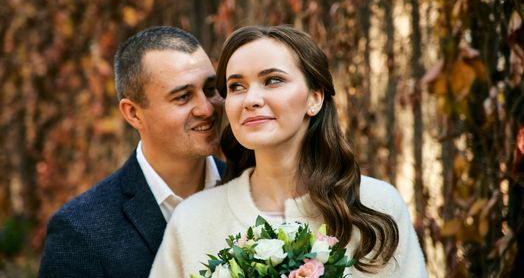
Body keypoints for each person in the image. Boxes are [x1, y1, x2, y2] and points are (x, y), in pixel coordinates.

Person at [149, 25, 428, 277]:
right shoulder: (192, 220)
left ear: (315, 98)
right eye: (236, 86)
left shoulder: (377, 206)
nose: (251, 100)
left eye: (272, 80)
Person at [38, 26, 226, 278]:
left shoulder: (257, 188)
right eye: (183, 97)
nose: (206, 108)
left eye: (210, 89)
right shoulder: (81, 232)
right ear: (133, 113)